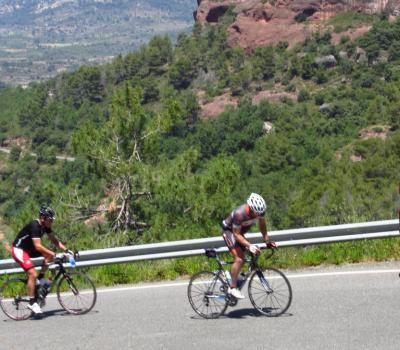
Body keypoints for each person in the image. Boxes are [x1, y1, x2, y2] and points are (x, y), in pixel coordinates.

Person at [11, 206, 69, 314]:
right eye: (50, 219)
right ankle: (32, 303)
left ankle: (41, 278)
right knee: (33, 273)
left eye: (52, 220)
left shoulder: (45, 226)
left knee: (49, 255)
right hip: (19, 250)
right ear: (43, 218)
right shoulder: (35, 226)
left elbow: (55, 241)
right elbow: (38, 246)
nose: (51, 222)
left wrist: (66, 250)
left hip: (29, 250)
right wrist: (53, 253)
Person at [221, 193, 277, 299]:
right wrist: (249, 245)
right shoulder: (240, 214)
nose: (259, 215)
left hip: (238, 233)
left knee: (254, 253)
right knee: (239, 259)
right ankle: (232, 288)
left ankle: (234, 274)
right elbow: (236, 235)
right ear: (251, 209)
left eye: (261, 213)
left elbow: (262, 225)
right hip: (229, 232)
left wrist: (267, 240)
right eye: (257, 213)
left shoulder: (259, 211)